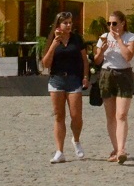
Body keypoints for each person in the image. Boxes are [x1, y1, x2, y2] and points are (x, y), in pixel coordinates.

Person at [41, 11, 89, 164]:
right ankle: (59, 151)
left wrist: (86, 76)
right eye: (65, 23)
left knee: (76, 117)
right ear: (58, 25)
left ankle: (76, 140)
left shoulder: (77, 39)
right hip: (57, 80)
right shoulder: (52, 40)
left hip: (74, 80)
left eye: (70, 22)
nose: (68, 25)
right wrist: (54, 44)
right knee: (59, 116)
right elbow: (46, 64)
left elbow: (84, 60)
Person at [94, 10, 134, 165]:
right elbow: (97, 60)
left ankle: (121, 149)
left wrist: (119, 39)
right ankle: (116, 148)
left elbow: (128, 56)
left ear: (122, 23)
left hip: (123, 75)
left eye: (114, 23)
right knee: (110, 116)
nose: (111, 26)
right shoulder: (103, 38)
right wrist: (102, 51)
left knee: (122, 114)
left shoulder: (130, 37)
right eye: (109, 23)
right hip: (107, 74)